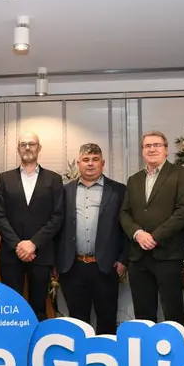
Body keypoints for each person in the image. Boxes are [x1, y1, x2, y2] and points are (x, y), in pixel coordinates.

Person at [120, 131, 184, 322]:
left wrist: (155, 236)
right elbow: (124, 213)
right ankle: (145, 352)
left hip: (168, 255)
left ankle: (175, 351)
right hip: (138, 256)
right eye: (147, 146)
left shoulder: (180, 174)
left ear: (166, 150)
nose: (152, 149)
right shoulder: (134, 180)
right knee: (143, 315)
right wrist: (137, 234)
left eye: (157, 145)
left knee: (173, 313)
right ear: (142, 151)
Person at [55, 143, 127, 335]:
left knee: (107, 319)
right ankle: (80, 363)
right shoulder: (64, 191)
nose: (90, 164)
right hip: (72, 267)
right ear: (78, 163)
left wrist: (123, 259)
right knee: (78, 322)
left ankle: (107, 361)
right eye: (86, 160)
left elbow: (126, 227)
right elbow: (56, 227)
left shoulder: (118, 191)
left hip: (105, 267)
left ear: (102, 163)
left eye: (95, 160)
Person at [0, 132, 64, 321]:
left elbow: (57, 216)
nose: (27, 147)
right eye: (23, 144)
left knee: (39, 308)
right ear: (18, 149)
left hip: (41, 254)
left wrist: (33, 244)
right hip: (11, 253)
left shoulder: (54, 179)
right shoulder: (4, 179)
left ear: (39, 148)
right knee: (10, 308)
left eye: (31, 144)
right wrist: (19, 245)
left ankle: (37, 349)